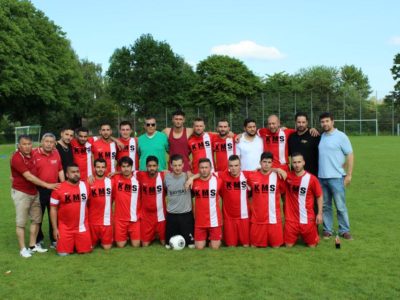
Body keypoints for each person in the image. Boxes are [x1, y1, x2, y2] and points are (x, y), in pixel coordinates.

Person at [10, 135, 59, 258]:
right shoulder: (16, 157)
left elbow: (44, 150)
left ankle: (33, 245)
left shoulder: (33, 153)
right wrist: (47, 185)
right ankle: (22, 249)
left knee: (37, 220)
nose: (27, 146)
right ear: (19, 146)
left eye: (29, 144)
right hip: (22, 193)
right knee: (21, 223)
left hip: (34, 192)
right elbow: (29, 177)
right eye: (24, 144)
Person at [318, 112, 354, 240]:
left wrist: (348, 174)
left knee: (340, 206)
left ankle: (344, 230)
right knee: (325, 205)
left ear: (332, 122)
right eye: (322, 122)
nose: (325, 124)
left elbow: (349, 155)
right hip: (321, 178)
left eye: (327, 121)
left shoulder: (341, 136)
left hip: (337, 178)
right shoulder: (321, 136)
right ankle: (328, 230)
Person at [50, 164, 92, 256]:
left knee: (86, 252)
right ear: (67, 175)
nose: (76, 174)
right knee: (63, 254)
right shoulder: (58, 188)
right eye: (73, 172)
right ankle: (68, 243)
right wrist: (55, 229)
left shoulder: (86, 186)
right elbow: (53, 209)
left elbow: (88, 203)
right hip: (65, 228)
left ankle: (77, 243)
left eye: (77, 172)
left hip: (82, 227)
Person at [246, 152, 286, 248]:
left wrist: (277, 170)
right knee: (254, 246)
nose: (266, 164)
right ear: (260, 162)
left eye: (269, 162)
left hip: (274, 218)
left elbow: (284, 193)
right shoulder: (251, 176)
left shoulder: (278, 177)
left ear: (272, 163)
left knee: (276, 246)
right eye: (264, 162)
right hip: (258, 219)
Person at [284, 153, 323, 248]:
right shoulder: (287, 177)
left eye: (299, 162)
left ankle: (308, 235)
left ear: (303, 163)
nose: (297, 165)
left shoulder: (312, 179)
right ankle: (296, 235)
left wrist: (320, 214)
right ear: (291, 164)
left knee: (312, 246)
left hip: (307, 219)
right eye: (294, 162)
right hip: (291, 220)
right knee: (288, 246)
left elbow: (319, 196)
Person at [33, 133, 65, 248]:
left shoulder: (56, 153)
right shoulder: (33, 153)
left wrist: (64, 185)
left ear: (54, 143)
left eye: (51, 142)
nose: (49, 144)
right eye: (47, 141)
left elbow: (60, 169)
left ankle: (54, 239)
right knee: (38, 216)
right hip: (38, 190)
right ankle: (38, 240)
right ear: (42, 142)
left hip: (54, 190)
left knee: (55, 216)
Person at [217, 155, 250, 247]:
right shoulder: (222, 176)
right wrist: (192, 177)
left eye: (236, 165)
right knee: (231, 246)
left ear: (240, 165)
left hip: (244, 217)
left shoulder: (247, 175)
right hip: (229, 218)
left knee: (246, 245)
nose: (234, 168)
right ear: (228, 167)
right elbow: (206, 173)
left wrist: (277, 170)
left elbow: (263, 171)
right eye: (231, 166)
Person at [164, 154, 195, 248]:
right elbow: (166, 190)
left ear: (183, 165)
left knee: (191, 245)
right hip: (172, 215)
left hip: (186, 215)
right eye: (175, 165)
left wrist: (192, 177)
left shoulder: (188, 177)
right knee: (168, 245)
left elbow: (202, 174)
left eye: (179, 165)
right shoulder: (166, 178)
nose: (177, 168)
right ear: (171, 166)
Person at [191, 158, 223, 249]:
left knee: (215, 248)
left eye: (206, 167)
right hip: (200, 222)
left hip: (214, 221)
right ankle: (207, 239)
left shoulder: (218, 180)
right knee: (199, 248)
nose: (204, 170)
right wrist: (192, 178)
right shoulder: (193, 182)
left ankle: (212, 240)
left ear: (211, 168)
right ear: (198, 168)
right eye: (201, 168)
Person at [136, 156, 167, 246]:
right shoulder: (140, 175)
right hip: (146, 216)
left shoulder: (164, 176)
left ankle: (156, 234)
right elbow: (126, 171)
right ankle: (152, 235)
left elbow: (179, 174)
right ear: (146, 166)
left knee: (164, 243)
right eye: (149, 166)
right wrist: (116, 172)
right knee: (144, 245)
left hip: (160, 215)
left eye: (154, 166)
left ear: (158, 166)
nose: (152, 168)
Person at [112, 156, 141, 248]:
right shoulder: (115, 179)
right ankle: (125, 236)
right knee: (120, 245)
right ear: (120, 168)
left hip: (134, 218)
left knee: (136, 245)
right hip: (120, 219)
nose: (126, 169)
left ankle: (130, 235)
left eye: (128, 166)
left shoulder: (138, 178)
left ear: (131, 167)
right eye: (123, 167)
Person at [88, 159, 113, 250]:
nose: (100, 169)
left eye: (103, 167)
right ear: (94, 168)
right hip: (92, 221)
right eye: (98, 167)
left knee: (107, 248)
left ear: (106, 168)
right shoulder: (89, 182)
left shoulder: (111, 182)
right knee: (89, 247)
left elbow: (112, 198)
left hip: (106, 221)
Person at [288, 112, 320, 177]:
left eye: (303, 122)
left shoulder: (314, 135)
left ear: (307, 122)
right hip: (295, 175)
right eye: (299, 122)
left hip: (311, 175)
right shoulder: (291, 137)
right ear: (295, 122)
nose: (301, 124)